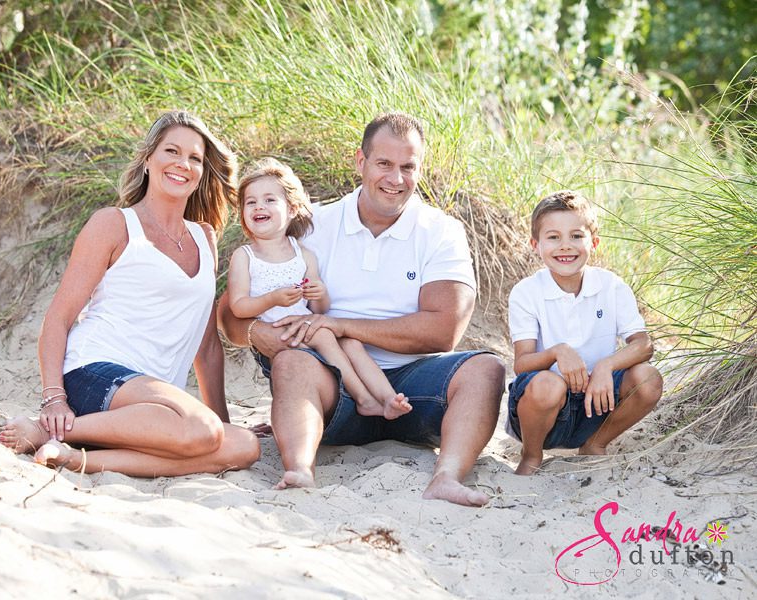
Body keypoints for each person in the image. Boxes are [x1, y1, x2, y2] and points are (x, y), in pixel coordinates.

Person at [218, 112, 505, 506]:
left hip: (411, 388)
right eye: (384, 164)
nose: (396, 178)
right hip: (330, 383)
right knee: (290, 364)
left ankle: (447, 477)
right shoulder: (312, 224)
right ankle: (300, 471)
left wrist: (339, 325)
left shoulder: (441, 231)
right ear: (360, 161)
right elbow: (230, 313)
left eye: (408, 167)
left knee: (486, 370)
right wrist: (257, 333)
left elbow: (443, 330)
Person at [0, 110, 260, 476]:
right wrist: (54, 398)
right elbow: (59, 318)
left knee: (243, 446)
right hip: (95, 372)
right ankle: (46, 429)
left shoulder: (205, 237)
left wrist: (222, 423)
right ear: (149, 159)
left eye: (194, 158)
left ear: (202, 172)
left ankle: (78, 457)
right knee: (201, 428)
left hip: (152, 408)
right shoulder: (114, 224)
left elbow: (207, 346)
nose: (182, 164)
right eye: (171, 151)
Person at [228, 158, 412, 420]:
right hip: (277, 331)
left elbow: (318, 309)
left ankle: (388, 397)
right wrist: (273, 299)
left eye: (270, 200)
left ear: (291, 209)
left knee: (352, 343)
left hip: (303, 324)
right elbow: (238, 305)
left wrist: (319, 293)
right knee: (324, 336)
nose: (259, 206)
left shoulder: (302, 253)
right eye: (251, 202)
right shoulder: (245, 256)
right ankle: (364, 398)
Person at [506, 191, 663, 475]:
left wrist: (607, 365)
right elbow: (521, 364)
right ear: (535, 245)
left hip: (598, 403)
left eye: (576, 236)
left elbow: (643, 345)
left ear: (594, 242)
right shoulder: (526, 293)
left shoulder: (611, 286)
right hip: (544, 411)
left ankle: (595, 443)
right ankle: (531, 456)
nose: (565, 246)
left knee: (648, 378)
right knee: (548, 385)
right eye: (553, 237)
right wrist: (557, 352)